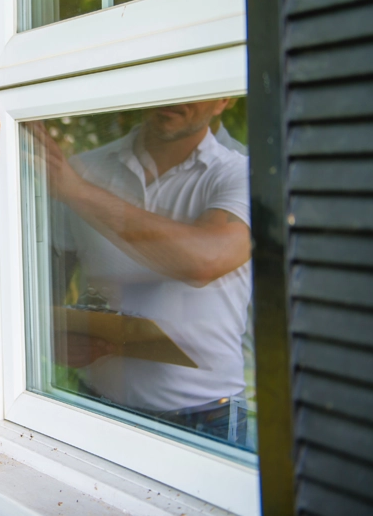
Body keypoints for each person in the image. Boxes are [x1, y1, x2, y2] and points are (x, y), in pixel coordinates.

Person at [43, 100, 252, 445]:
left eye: (192, 85)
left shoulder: (241, 174)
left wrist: (77, 192)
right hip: (94, 404)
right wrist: (52, 338)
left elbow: (205, 260)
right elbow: (47, 283)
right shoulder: (83, 168)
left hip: (205, 418)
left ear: (224, 101)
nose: (174, 97)